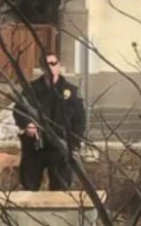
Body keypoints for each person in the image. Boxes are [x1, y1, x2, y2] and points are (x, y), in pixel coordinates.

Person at [12, 52, 87, 191]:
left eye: (54, 63)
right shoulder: (32, 90)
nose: (50, 67)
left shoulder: (70, 91)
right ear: (42, 68)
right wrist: (27, 123)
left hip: (60, 147)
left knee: (61, 190)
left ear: (59, 65)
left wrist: (74, 144)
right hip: (35, 146)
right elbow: (19, 110)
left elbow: (79, 120)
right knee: (29, 188)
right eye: (47, 64)